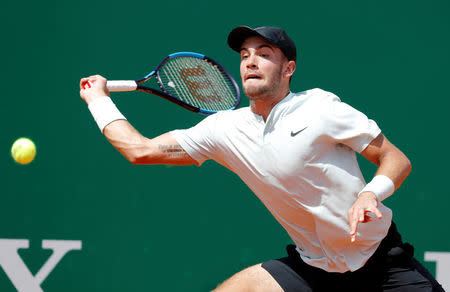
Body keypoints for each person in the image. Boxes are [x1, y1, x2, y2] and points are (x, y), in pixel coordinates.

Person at [80, 26, 444, 291]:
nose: (251, 61)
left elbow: (396, 160)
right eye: (244, 55)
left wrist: (370, 194)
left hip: (382, 264)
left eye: (264, 53)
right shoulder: (223, 129)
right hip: (312, 270)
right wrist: (98, 100)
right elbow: (139, 150)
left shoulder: (320, 108)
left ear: (289, 69)